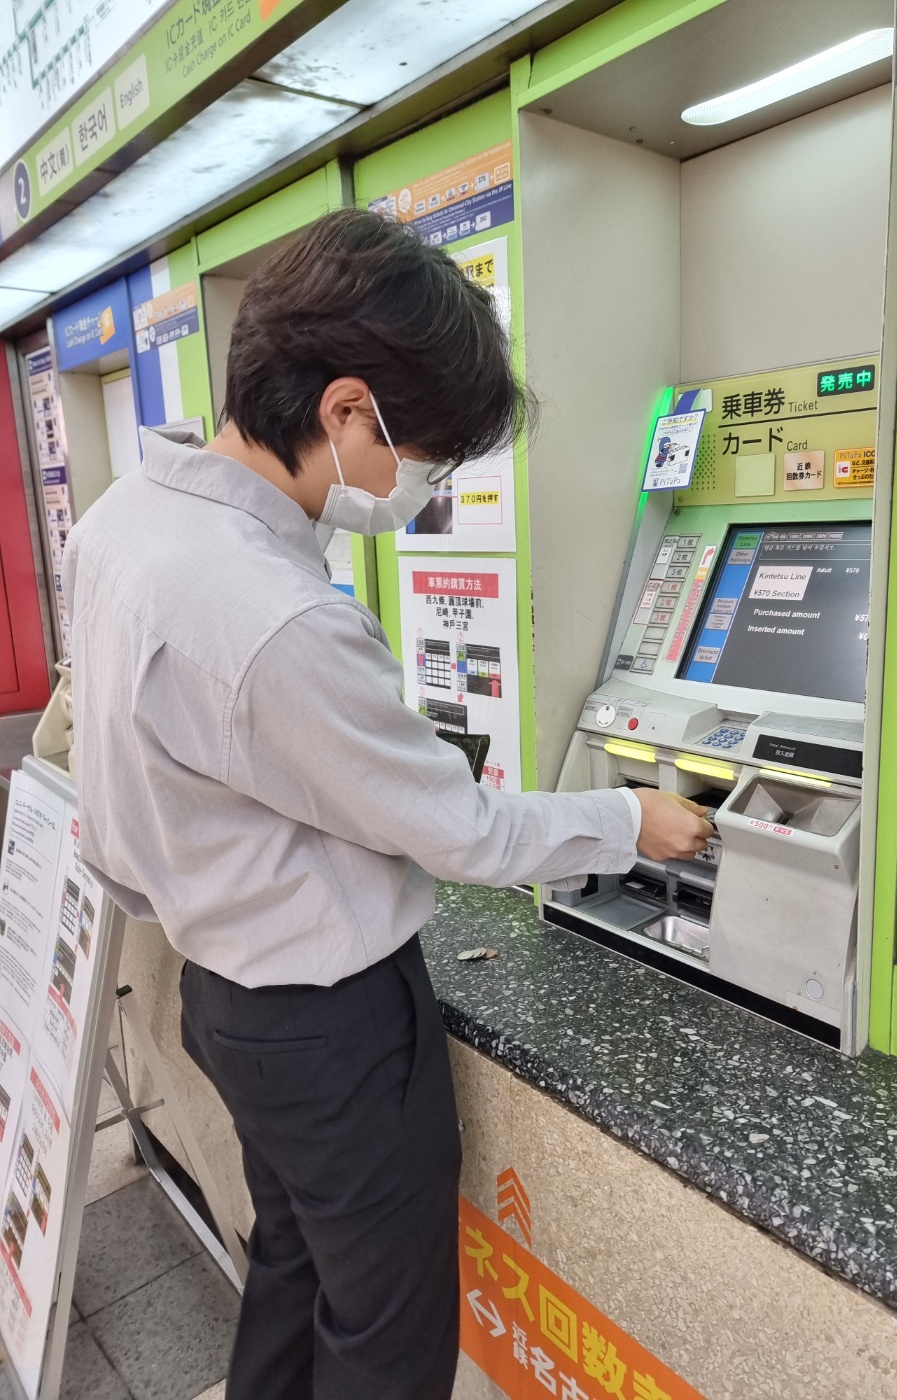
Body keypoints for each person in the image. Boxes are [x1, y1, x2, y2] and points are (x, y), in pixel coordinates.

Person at [62, 208, 711, 1400]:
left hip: (224, 998)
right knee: (390, 1338)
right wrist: (628, 820)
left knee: (294, 1260)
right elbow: (461, 829)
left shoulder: (123, 525)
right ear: (348, 410)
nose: (424, 489)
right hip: (332, 1035)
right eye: (430, 458)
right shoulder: (280, 620)